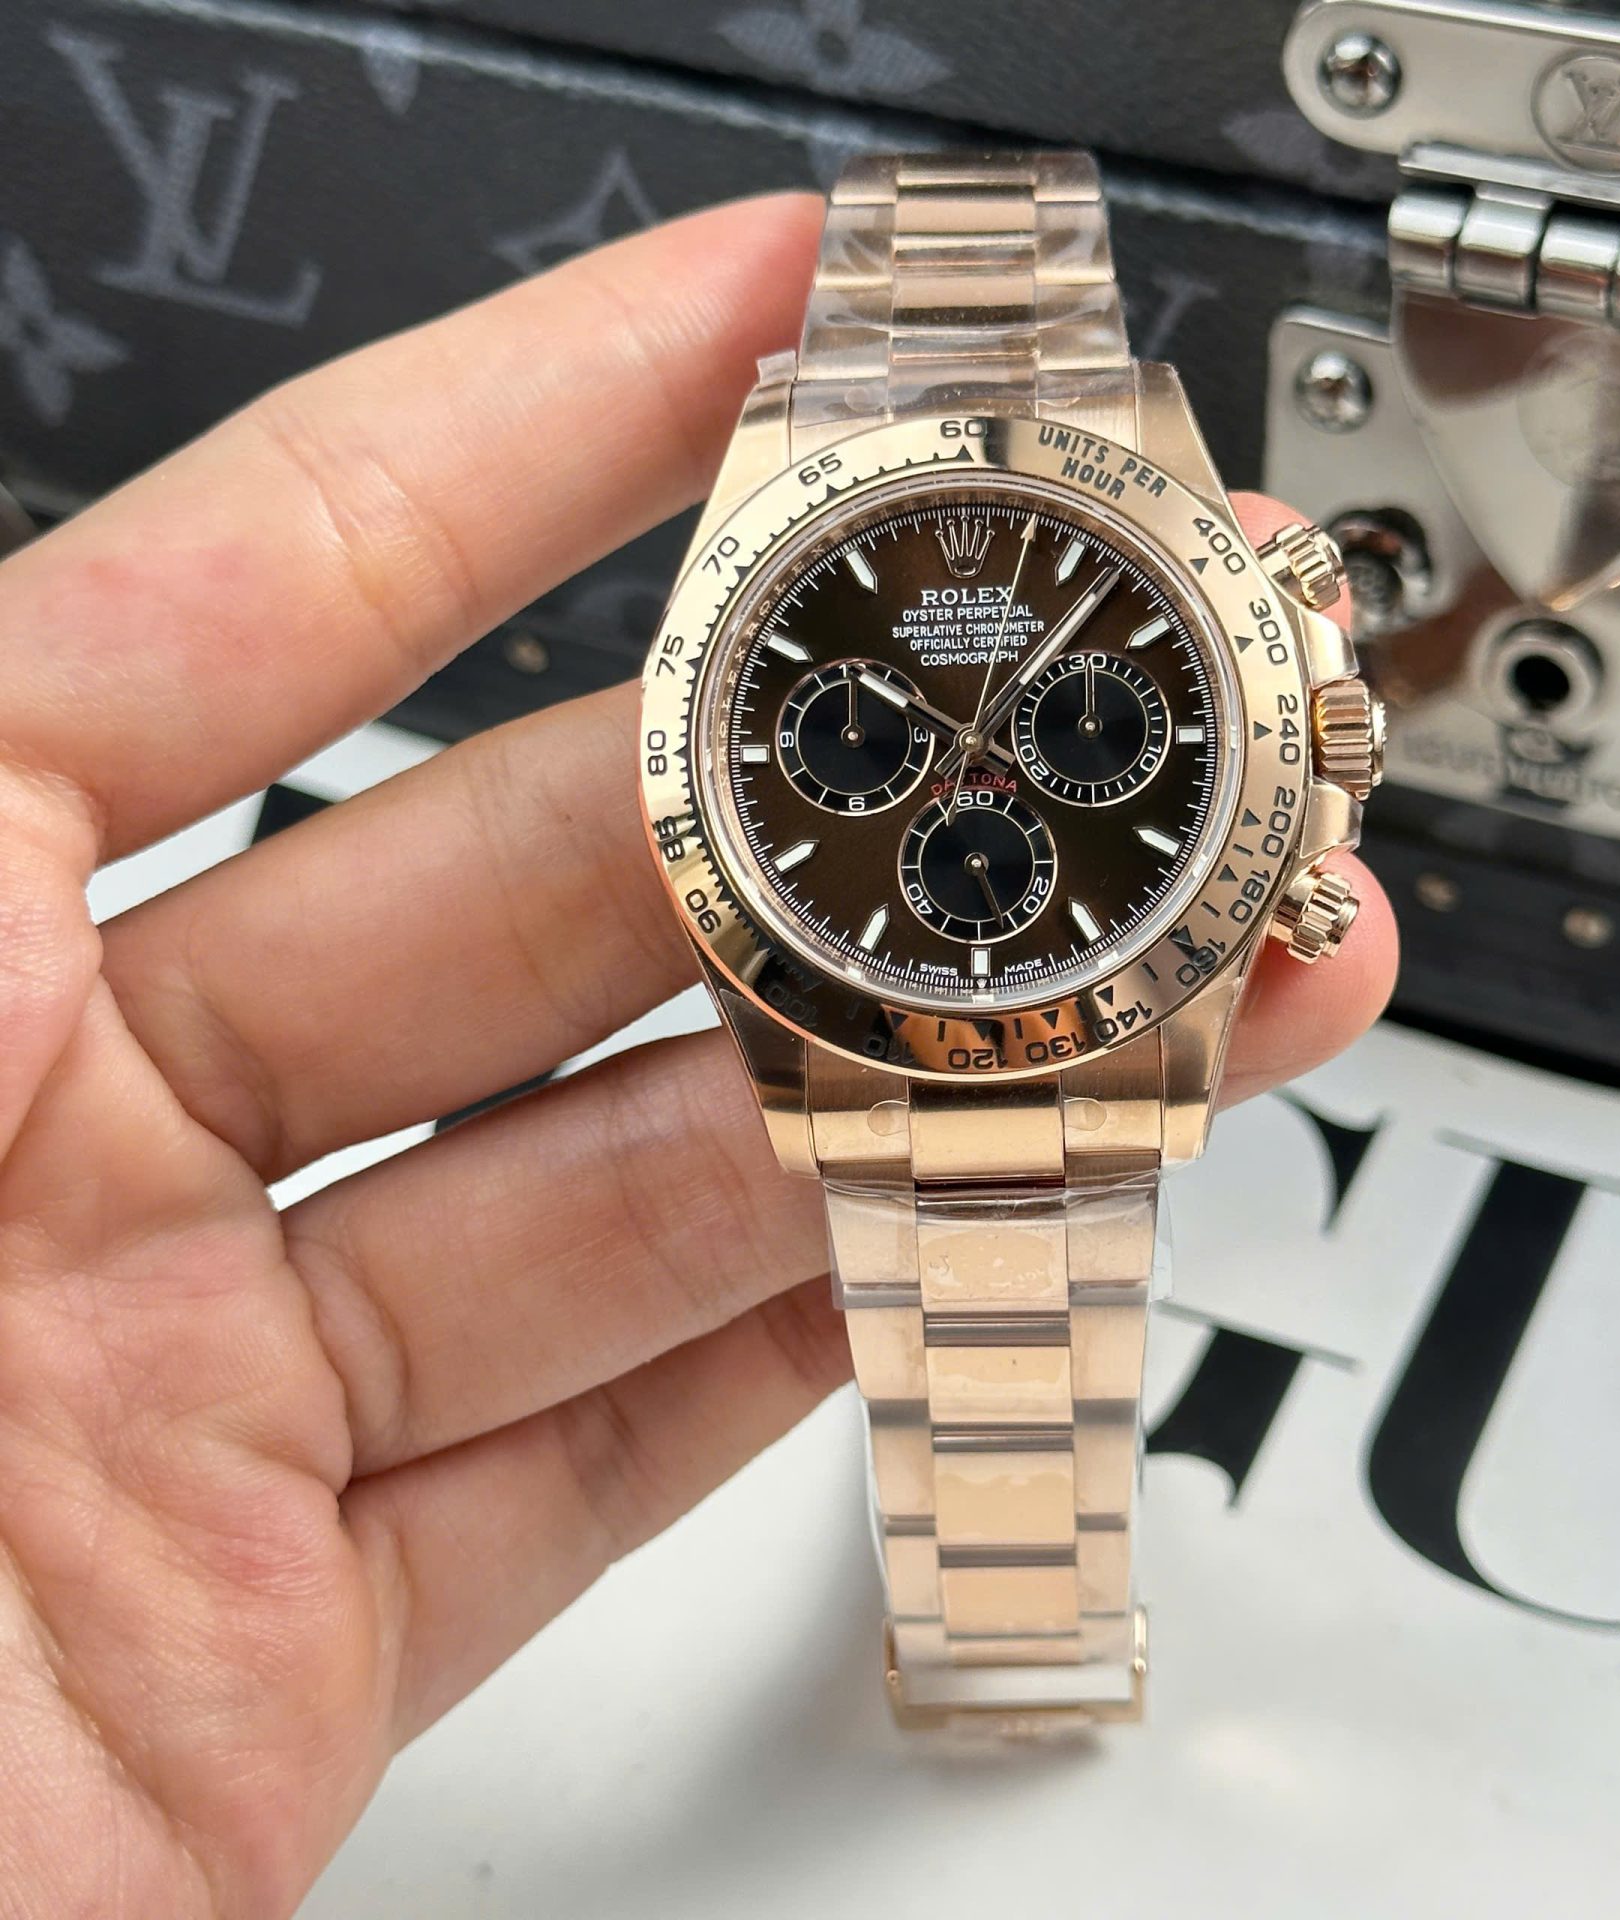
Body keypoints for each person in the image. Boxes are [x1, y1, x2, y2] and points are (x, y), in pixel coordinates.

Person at [0, 191, 1396, 1917]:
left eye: (1065, 717)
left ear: (1310, 729)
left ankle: (1016, 1641)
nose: (975, 747)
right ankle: (1014, 1646)